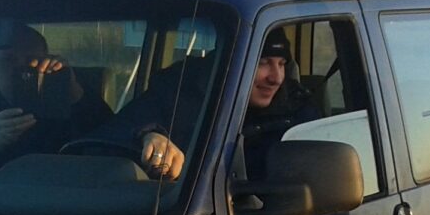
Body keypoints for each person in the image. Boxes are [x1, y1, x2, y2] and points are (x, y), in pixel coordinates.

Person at [134, 28, 321, 181]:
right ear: (233, 62)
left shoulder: (299, 112)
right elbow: (116, 129)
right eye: (263, 62)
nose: (276, 78)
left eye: (281, 64)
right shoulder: (178, 91)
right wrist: (150, 133)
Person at [0, 25, 113, 170]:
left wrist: (75, 92)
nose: (21, 70)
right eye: (9, 60)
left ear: (48, 61)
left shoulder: (68, 101)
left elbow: (113, 145)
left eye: (32, 60)